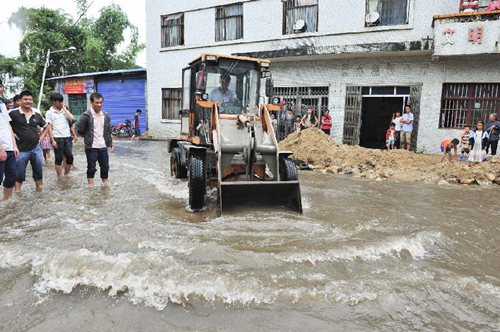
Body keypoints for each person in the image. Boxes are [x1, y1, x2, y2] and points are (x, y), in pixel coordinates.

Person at [8, 90, 49, 192]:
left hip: (36, 148)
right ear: (20, 101)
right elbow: (4, 124)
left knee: (38, 171)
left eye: (30, 99)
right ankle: (18, 193)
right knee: (19, 173)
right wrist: (11, 133)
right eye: (25, 99)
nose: (28, 101)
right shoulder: (13, 113)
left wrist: (41, 137)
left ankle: (40, 191)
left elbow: (47, 126)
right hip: (20, 149)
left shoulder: (37, 114)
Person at [77, 92, 114, 186]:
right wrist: (88, 137)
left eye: (101, 102)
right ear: (91, 102)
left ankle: (105, 184)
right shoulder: (86, 116)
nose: (99, 105)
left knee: (105, 167)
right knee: (91, 167)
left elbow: (108, 130)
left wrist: (110, 143)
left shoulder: (105, 116)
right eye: (97, 102)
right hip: (91, 147)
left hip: (103, 146)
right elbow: (80, 130)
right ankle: (91, 187)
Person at [45, 93, 74, 178]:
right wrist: (52, 140)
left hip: (67, 136)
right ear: (54, 102)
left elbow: (71, 118)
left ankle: (66, 174)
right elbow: (49, 127)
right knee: (59, 158)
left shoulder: (64, 111)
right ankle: (60, 177)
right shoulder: (49, 112)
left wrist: (64, 109)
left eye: (62, 101)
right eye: (59, 101)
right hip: (57, 137)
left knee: (70, 157)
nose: (61, 103)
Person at [0, 80, 19, 201]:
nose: (0, 89)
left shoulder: (1, 104)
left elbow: (8, 125)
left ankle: (6, 202)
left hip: (9, 147)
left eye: (1, 86)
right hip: (1, 149)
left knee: (12, 176)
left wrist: (14, 145)